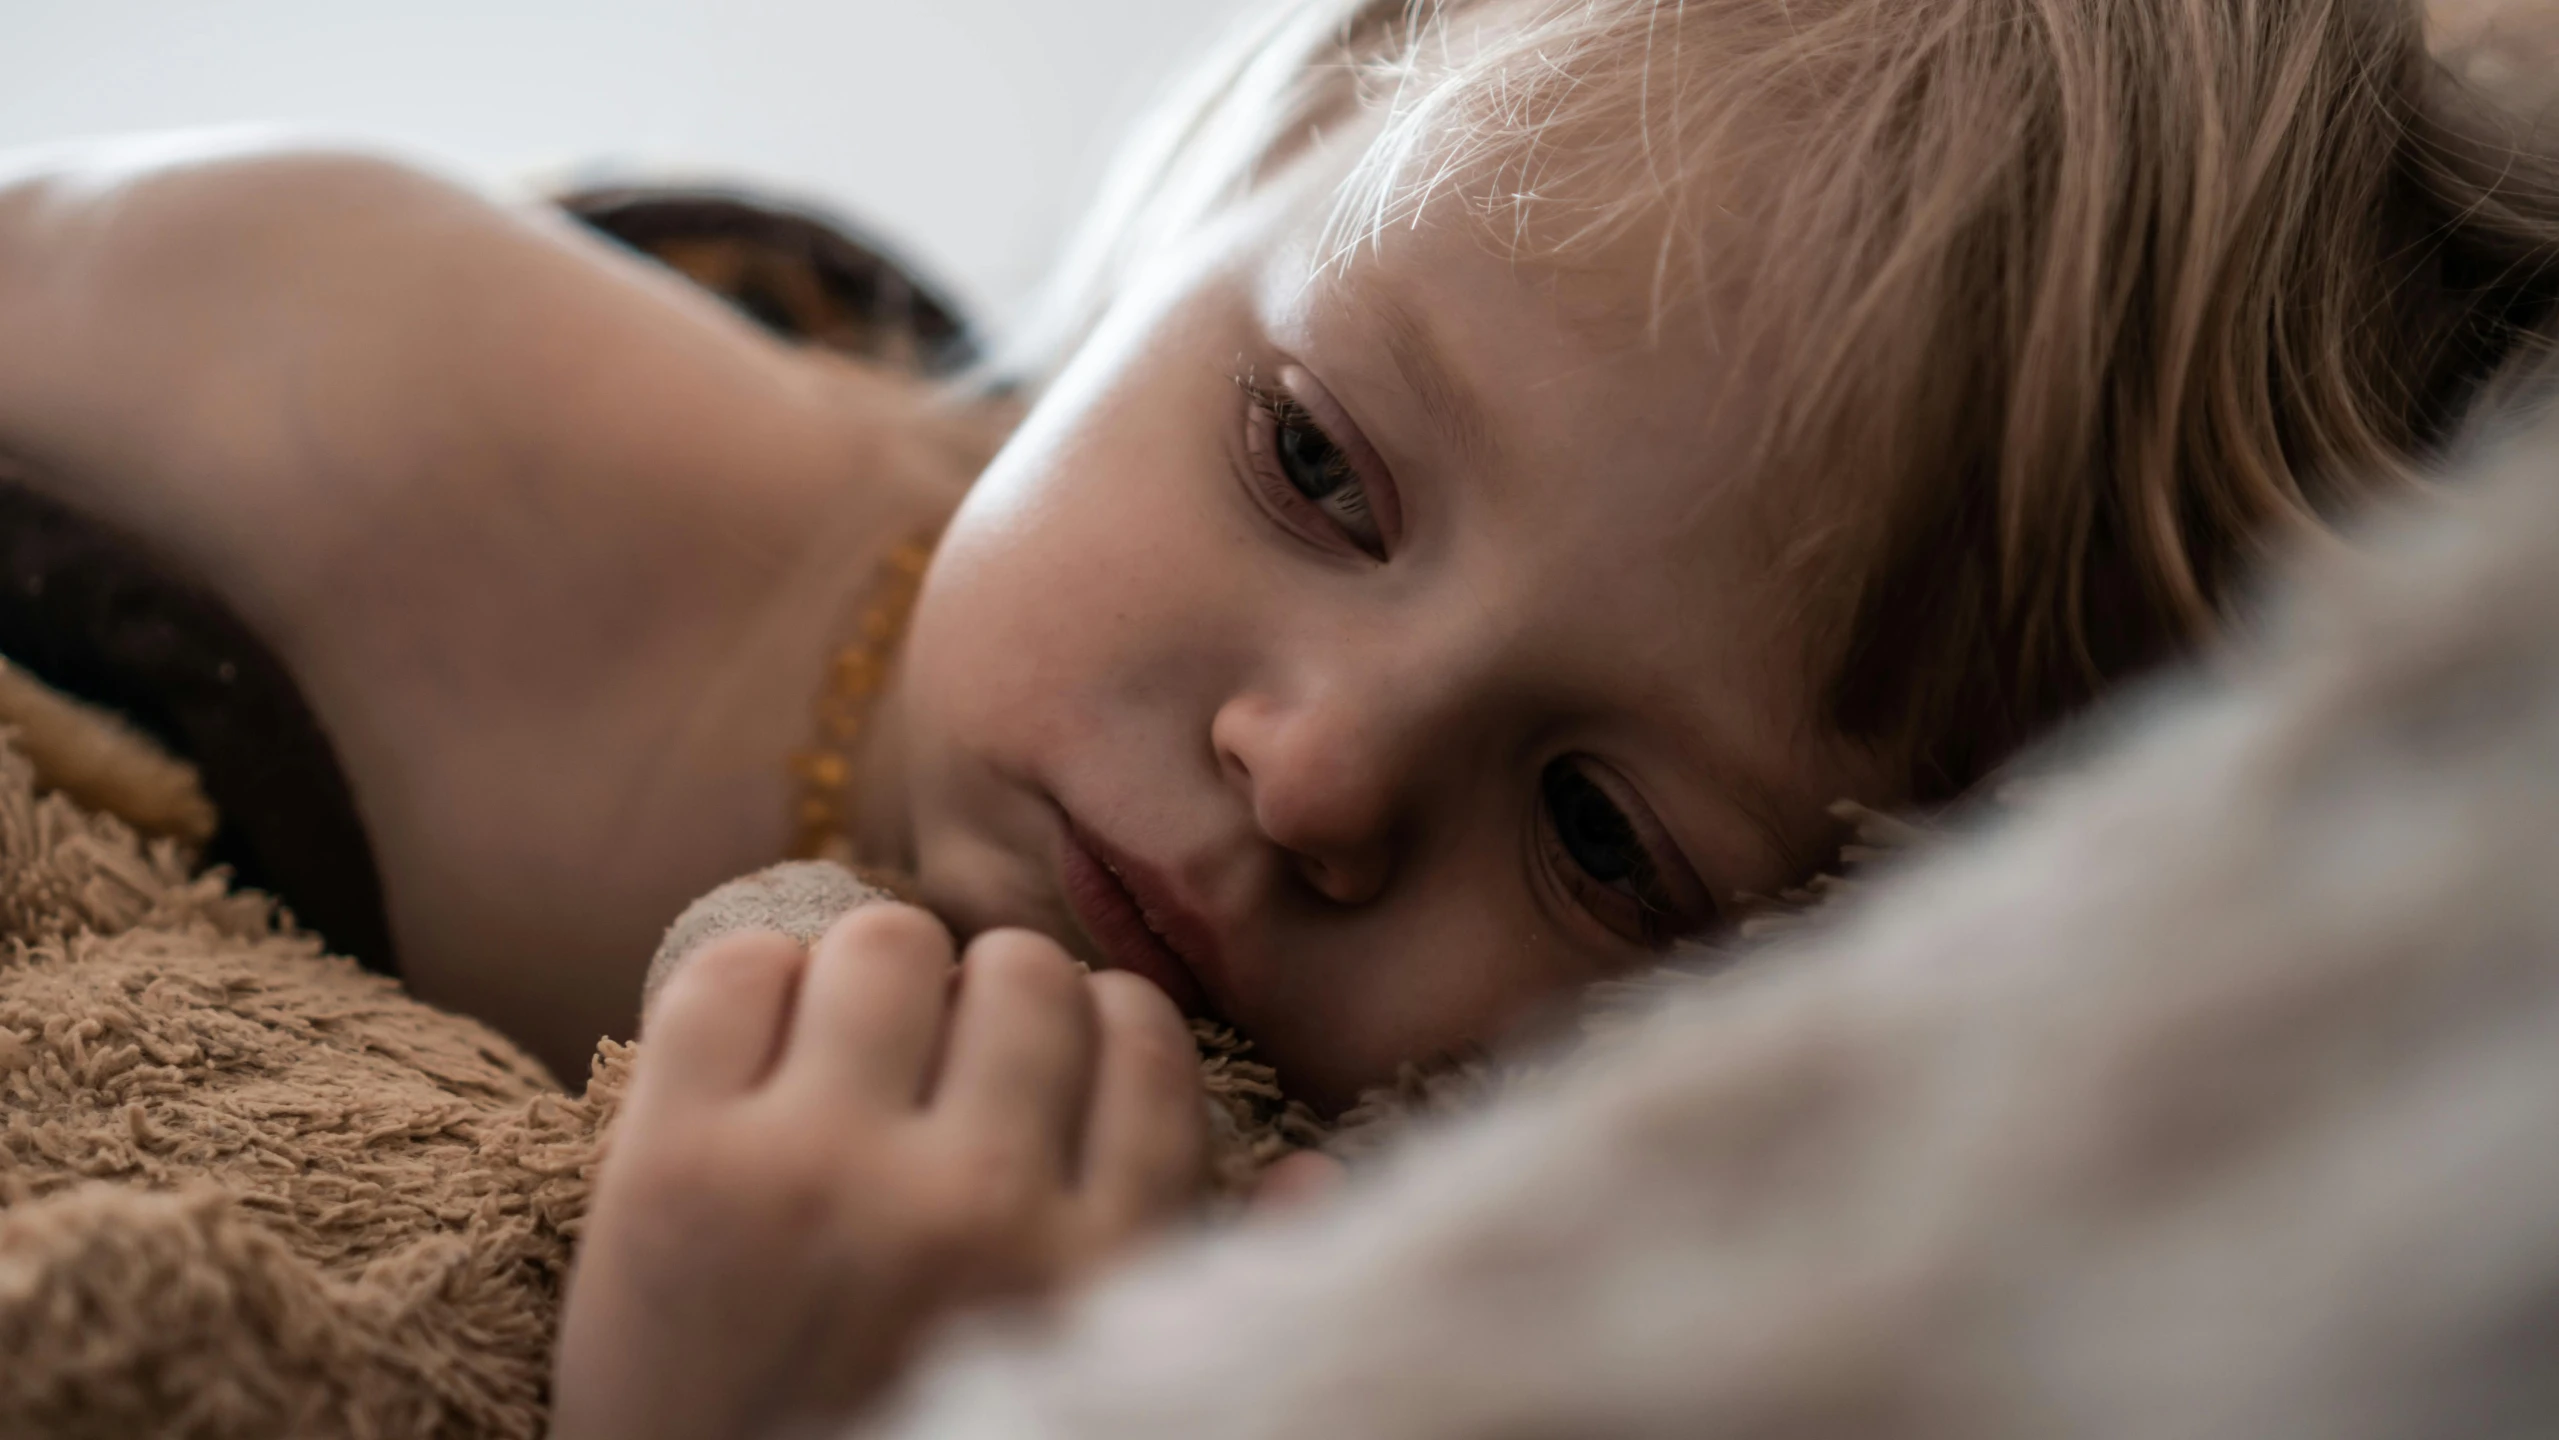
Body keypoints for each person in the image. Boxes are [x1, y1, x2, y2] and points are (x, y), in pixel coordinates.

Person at [0, 0, 2550, 1435]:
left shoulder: (1444, 1306)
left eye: (1604, 840)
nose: (1309, 773)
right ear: (1286, 134)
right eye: (1317, 462)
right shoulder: (383, 391)